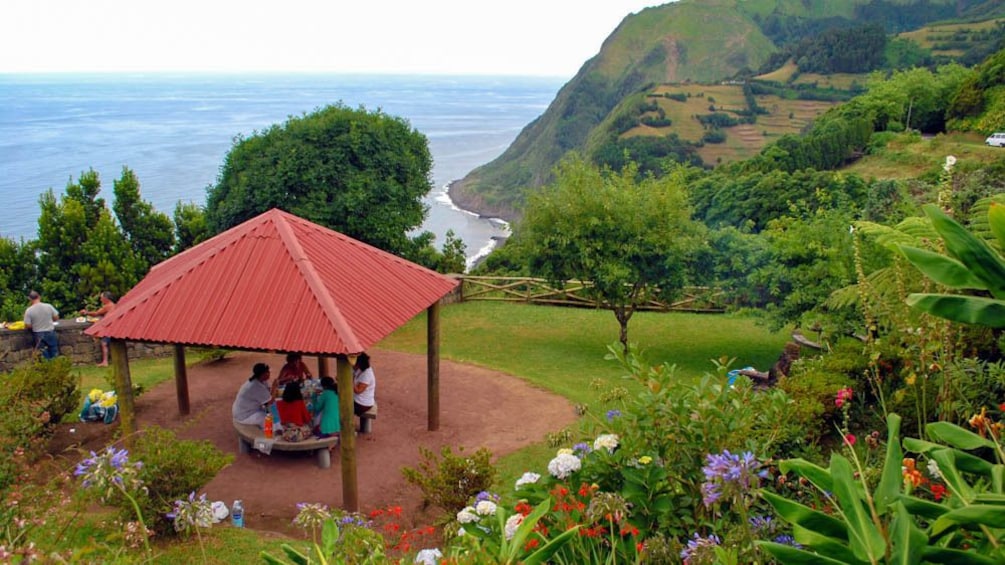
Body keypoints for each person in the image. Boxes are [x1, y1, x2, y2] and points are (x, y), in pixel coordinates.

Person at [79, 291, 117, 367]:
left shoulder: (108, 306)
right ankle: (108, 360)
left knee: (104, 343)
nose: (100, 299)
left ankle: (105, 362)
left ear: (106, 298)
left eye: (101, 298)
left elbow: (97, 313)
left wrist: (86, 312)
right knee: (107, 343)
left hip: (109, 327)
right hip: (113, 326)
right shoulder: (114, 305)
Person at [232, 363, 273, 427]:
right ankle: (268, 435)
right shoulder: (255, 386)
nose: (269, 373)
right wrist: (275, 388)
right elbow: (270, 402)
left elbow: (267, 393)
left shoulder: (260, 380)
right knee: (268, 420)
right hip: (244, 415)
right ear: (262, 374)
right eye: (267, 372)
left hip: (246, 409)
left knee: (269, 412)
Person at [24, 290, 60, 360]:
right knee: (54, 351)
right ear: (39, 297)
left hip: (38, 334)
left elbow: (27, 325)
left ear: (30, 299)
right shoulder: (48, 306)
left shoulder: (29, 310)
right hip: (50, 332)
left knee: (43, 354)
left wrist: (34, 325)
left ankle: (47, 368)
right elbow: (56, 317)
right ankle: (56, 367)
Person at [352, 352, 376, 417]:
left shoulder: (367, 374)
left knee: (338, 405)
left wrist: (350, 381)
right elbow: (352, 373)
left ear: (359, 363)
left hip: (362, 404)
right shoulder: (359, 369)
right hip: (357, 400)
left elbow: (358, 391)